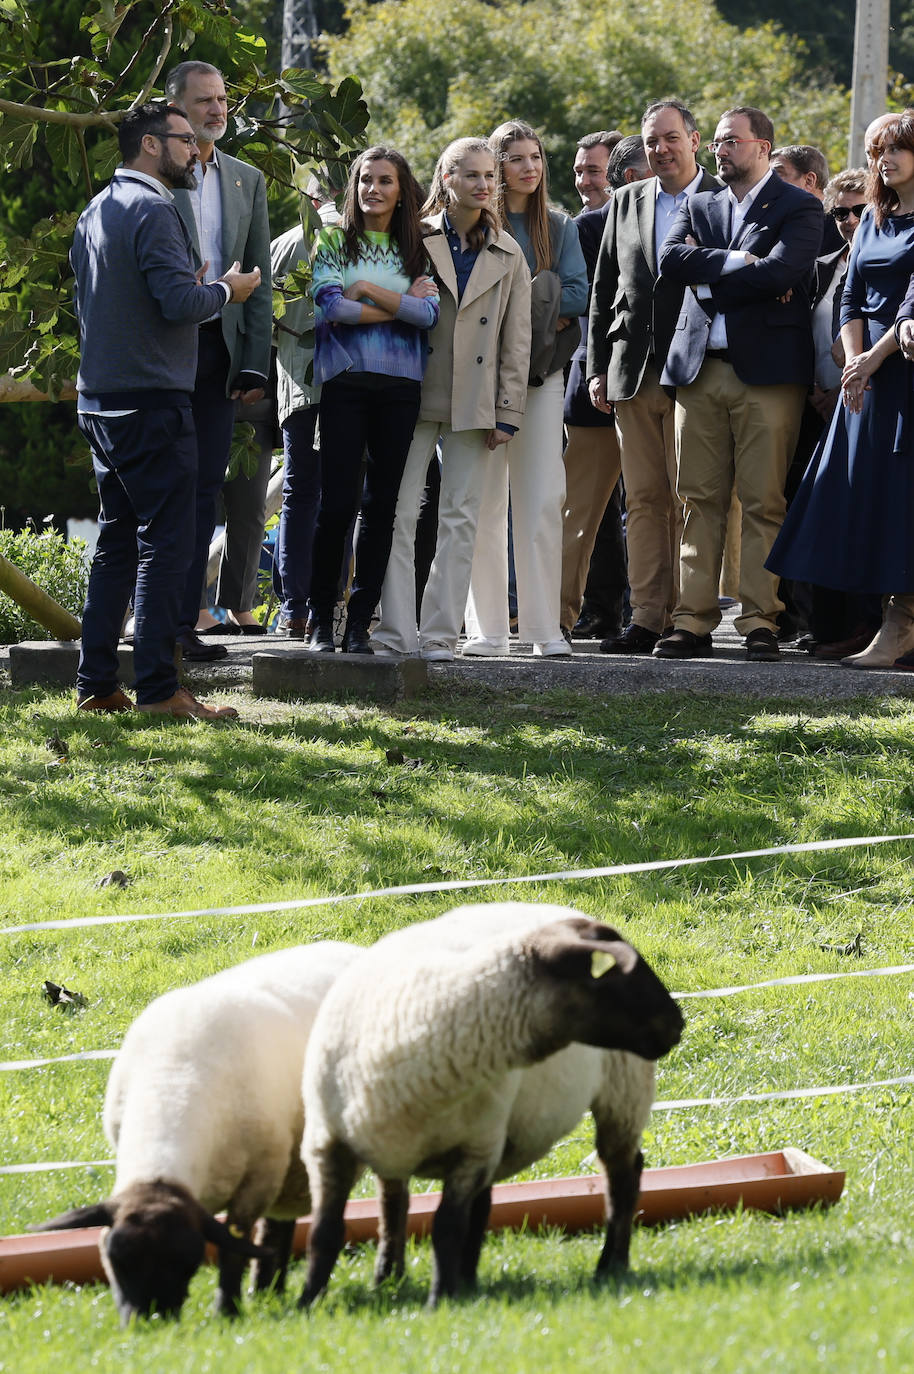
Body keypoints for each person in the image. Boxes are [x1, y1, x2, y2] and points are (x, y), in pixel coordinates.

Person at [71, 103, 260, 720]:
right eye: (184, 140)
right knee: (166, 546)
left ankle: (97, 685)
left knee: (118, 544)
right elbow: (180, 303)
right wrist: (226, 290)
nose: (195, 151)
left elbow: (124, 300)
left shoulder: (97, 209)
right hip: (152, 403)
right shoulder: (154, 209)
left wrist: (192, 285)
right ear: (151, 146)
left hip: (101, 403)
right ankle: (158, 690)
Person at [654, 105, 822, 662]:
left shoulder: (800, 206)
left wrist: (711, 280)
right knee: (696, 500)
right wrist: (736, 263)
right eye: (719, 141)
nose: (720, 150)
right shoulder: (699, 204)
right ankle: (691, 620)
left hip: (770, 376)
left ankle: (759, 622)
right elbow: (671, 261)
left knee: (762, 501)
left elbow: (783, 272)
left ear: (764, 147)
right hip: (699, 372)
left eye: (732, 141)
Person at [371, 137, 531, 660]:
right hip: (409, 393)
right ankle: (394, 630)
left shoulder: (509, 254)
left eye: (490, 176)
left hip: (474, 401)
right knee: (398, 512)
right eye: (472, 175)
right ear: (446, 180)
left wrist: (508, 411)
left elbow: (517, 339)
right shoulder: (411, 238)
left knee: (460, 517)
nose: (484, 185)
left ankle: (440, 634)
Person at [767, 114, 914, 669]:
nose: (886, 159)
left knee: (902, 502)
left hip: (903, 374)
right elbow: (851, 297)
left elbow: (911, 306)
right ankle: (884, 626)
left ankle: (900, 627)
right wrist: (854, 361)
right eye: (879, 150)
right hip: (867, 380)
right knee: (858, 499)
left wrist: (871, 362)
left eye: (898, 149)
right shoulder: (875, 219)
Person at [588, 99, 719, 656]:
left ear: (693, 139)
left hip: (699, 373)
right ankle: (645, 617)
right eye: (651, 142)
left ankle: (691, 620)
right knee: (642, 500)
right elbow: (602, 290)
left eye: (670, 138)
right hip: (632, 371)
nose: (660, 149)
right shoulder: (625, 201)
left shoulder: (723, 199)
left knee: (694, 497)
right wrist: (597, 368)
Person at [463, 120, 588, 658]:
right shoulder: (471, 224)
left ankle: (543, 629)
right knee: (483, 503)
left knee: (541, 500)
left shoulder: (559, 226)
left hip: (540, 376)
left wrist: (523, 314)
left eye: (536, 157)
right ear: (495, 167)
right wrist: (536, 308)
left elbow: (578, 293)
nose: (529, 168)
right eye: (516, 159)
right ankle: (487, 631)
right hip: (476, 378)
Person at [307, 145, 439, 654]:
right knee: (336, 505)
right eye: (365, 179)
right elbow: (331, 308)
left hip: (401, 388)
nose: (373, 189)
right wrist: (399, 307)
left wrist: (368, 290)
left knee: (381, 506)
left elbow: (429, 318)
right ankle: (322, 620)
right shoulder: (335, 240)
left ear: (402, 190)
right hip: (345, 383)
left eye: (385, 180)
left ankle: (360, 622)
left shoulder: (419, 249)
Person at [164, 61, 272, 660]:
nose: (217, 109)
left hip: (218, 353)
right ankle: (150, 619)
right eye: (204, 100)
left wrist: (253, 362)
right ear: (176, 107)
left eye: (223, 99)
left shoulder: (246, 180)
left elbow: (259, 277)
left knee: (206, 486)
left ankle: (183, 624)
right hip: (162, 349)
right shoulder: (158, 172)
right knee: (160, 487)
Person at [560, 128, 627, 643]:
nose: (585, 180)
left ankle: (653, 613)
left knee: (655, 506)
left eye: (594, 170)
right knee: (582, 511)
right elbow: (586, 308)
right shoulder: (583, 229)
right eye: (579, 170)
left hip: (660, 381)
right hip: (594, 380)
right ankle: (571, 611)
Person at [573, 130, 622, 211]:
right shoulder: (572, 223)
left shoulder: (642, 220)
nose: (583, 182)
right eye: (579, 172)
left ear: (619, 173)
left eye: (593, 171)